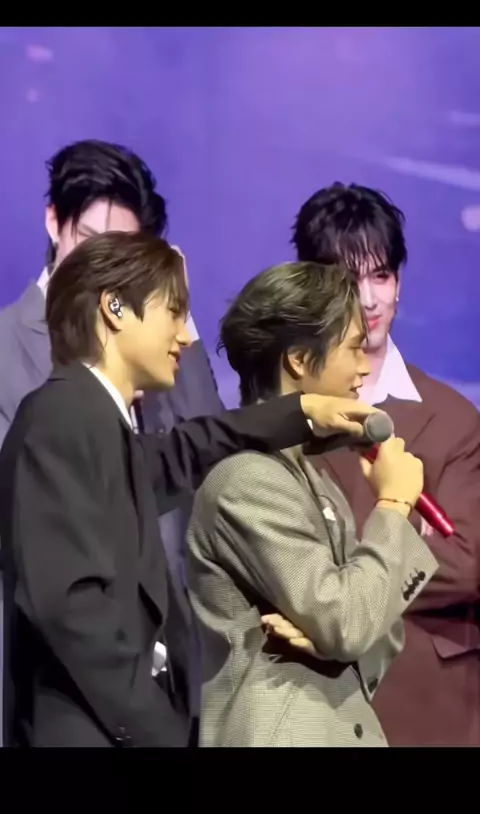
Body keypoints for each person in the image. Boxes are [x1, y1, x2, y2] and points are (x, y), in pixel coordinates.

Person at [0, 231, 382, 748]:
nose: (184, 336)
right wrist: (160, 730)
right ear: (114, 308)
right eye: (174, 313)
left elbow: (185, 449)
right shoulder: (64, 416)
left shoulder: (95, 421)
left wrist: (302, 412)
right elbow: (72, 610)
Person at [0, 139, 224, 741]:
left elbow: (210, 468)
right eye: (87, 238)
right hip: (58, 687)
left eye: (121, 250)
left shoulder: (165, 345)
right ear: (54, 221)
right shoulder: (5, 350)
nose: (101, 264)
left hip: (170, 674)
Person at [186, 261, 438, 748]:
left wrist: (333, 643)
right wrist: (392, 503)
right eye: (353, 348)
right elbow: (349, 621)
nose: (365, 366)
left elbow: (372, 626)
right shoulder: (247, 480)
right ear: (300, 360)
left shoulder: (314, 479)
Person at [291, 182, 480, 746]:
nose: (370, 300)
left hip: (430, 703)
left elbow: (466, 563)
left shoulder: (452, 417)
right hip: (316, 700)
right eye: (350, 280)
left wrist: (336, 573)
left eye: (382, 276)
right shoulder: (283, 418)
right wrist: (403, 537)